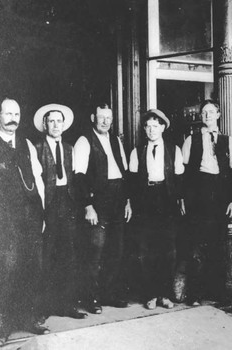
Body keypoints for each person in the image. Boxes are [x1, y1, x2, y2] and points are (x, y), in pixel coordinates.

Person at [0, 98, 49, 344]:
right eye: (8, 113)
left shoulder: (28, 145)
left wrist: (42, 213)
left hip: (31, 218)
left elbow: (38, 179)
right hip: (6, 220)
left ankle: (28, 319)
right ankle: (1, 327)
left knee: (32, 267)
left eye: (17, 113)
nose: (13, 118)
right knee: (6, 271)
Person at [181, 99, 232, 305]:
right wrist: (185, 199)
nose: (207, 115)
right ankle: (195, 294)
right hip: (199, 195)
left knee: (218, 245)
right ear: (201, 117)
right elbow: (185, 172)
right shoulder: (192, 139)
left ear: (218, 115)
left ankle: (217, 292)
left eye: (211, 112)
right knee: (197, 246)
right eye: (204, 113)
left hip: (221, 196)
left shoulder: (228, 141)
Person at [74, 103, 132, 314]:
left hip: (117, 202)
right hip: (98, 203)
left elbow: (124, 173)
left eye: (109, 118)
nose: (105, 121)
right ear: (93, 118)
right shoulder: (84, 141)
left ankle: (108, 294)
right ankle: (91, 298)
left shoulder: (116, 140)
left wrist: (127, 201)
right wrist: (88, 206)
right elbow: (78, 177)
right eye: (101, 117)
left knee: (115, 251)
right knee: (94, 252)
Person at [33, 104, 87, 320]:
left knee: (69, 255)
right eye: (51, 121)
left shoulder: (69, 148)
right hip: (48, 205)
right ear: (45, 124)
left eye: (59, 121)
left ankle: (67, 304)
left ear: (64, 125)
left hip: (68, 202)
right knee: (46, 256)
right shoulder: (36, 148)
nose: (56, 125)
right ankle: (44, 308)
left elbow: (75, 178)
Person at [128, 109, 185, 310]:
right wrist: (132, 204)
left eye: (155, 126)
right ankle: (150, 295)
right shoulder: (137, 151)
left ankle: (165, 295)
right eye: (148, 126)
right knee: (146, 250)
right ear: (144, 129)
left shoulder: (174, 150)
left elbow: (179, 180)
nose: (151, 130)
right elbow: (132, 182)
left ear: (162, 127)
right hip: (145, 202)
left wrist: (179, 201)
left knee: (168, 250)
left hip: (167, 201)